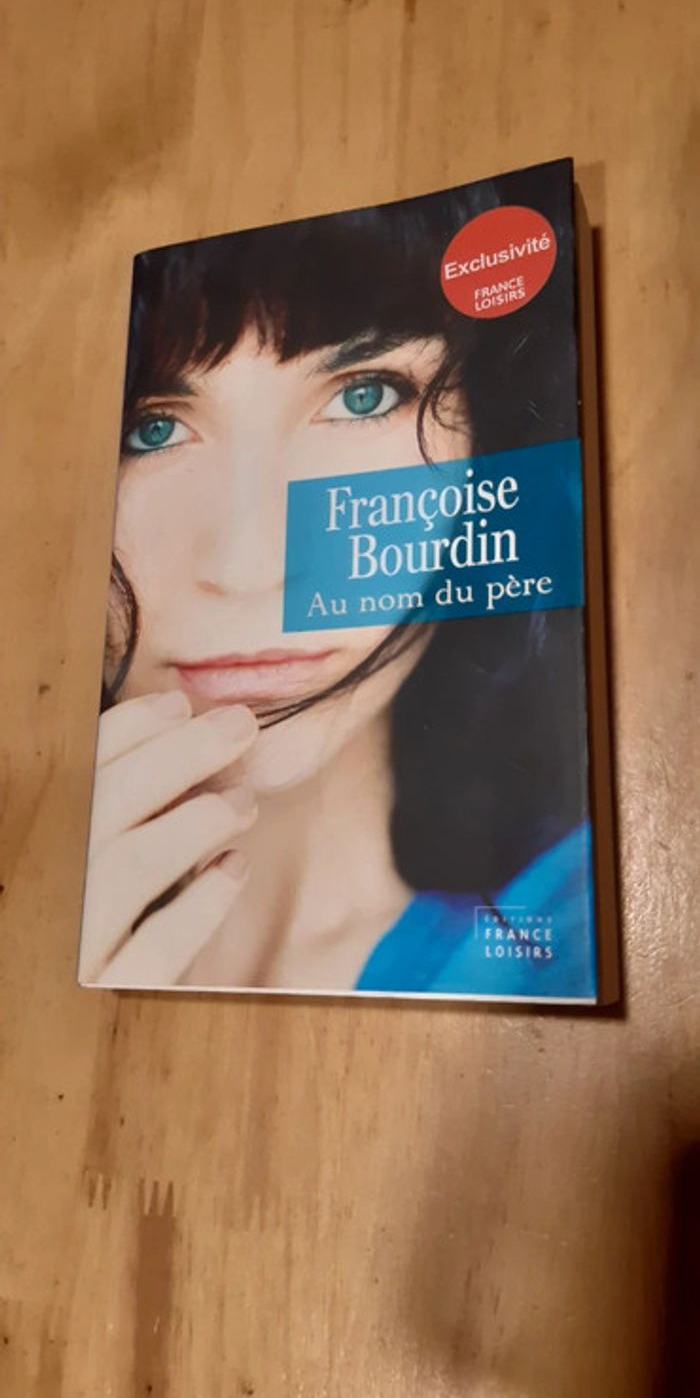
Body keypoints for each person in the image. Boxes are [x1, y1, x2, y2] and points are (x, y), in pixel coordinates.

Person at [79, 171, 595, 997]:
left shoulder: (571, 943)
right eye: (152, 428)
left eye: (364, 396)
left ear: (488, 438)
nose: (250, 569)